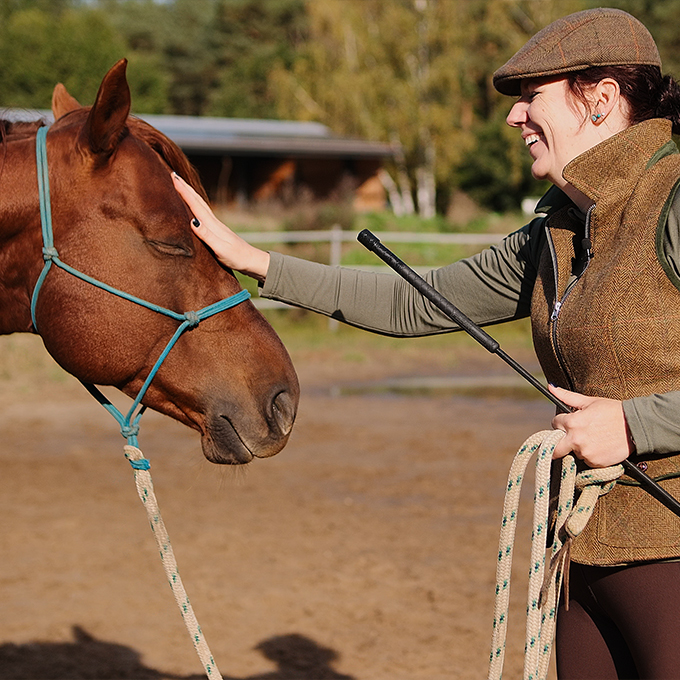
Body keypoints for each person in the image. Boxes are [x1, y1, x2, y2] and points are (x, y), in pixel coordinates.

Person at [173, 8, 680, 678]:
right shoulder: (558, 230)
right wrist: (255, 260)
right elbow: (418, 300)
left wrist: (634, 423)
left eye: (531, 98)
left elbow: (631, 419)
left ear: (602, 99)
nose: (513, 118)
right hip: (582, 549)